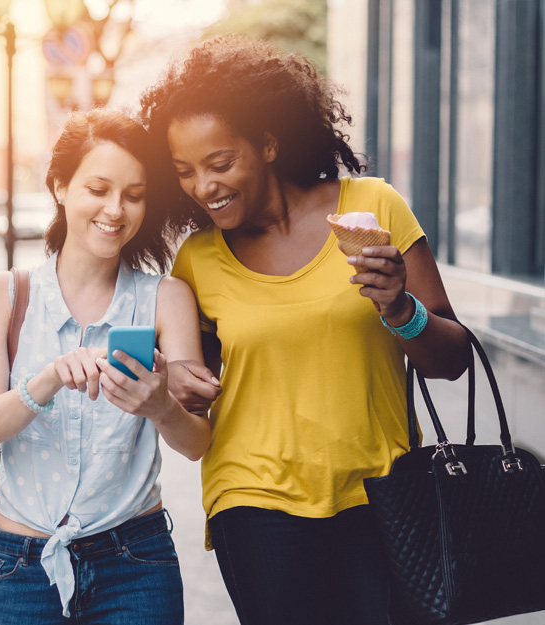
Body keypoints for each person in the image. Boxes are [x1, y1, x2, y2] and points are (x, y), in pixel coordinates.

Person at [139, 34, 471, 625]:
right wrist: (179, 388)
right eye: (185, 171)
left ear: (267, 142)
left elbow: (451, 358)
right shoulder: (198, 259)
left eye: (219, 163)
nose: (202, 186)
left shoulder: (372, 208)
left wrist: (400, 310)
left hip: (384, 493)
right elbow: (196, 391)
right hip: (253, 500)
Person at [0, 108, 211, 625]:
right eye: (98, 188)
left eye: (134, 194)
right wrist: (48, 379)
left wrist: (161, 405)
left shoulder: (166, 298)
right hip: (20, 569)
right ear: (59, 185)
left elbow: (196, 444)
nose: (115, 210)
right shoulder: (3, 295)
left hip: (135, 565)